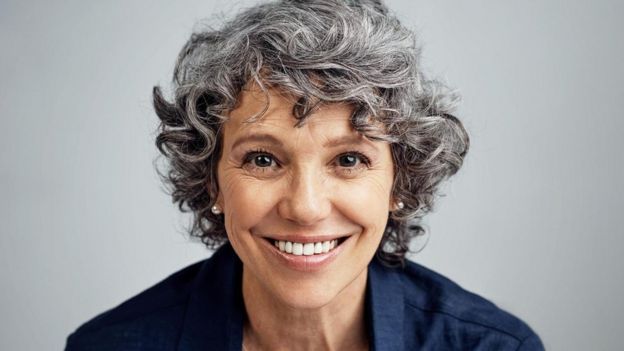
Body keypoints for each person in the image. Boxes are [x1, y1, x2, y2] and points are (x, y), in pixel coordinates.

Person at [65, 0, 544, 350]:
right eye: (262, 159)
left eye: (350, 160)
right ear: (212, 181)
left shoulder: (491, 347)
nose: (306, 207)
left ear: (400, 183)